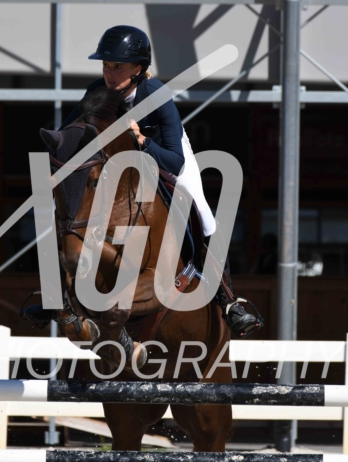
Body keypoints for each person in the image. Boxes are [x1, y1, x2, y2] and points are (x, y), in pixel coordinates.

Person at [39, 25, 263, 338]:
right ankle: (51, 294)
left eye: (118, 67)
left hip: (163, 155)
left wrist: (142, 141)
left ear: (138, 69)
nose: (109, 73)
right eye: (106, 65)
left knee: (203, 213)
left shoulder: (156, 94)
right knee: (61, 208)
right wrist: (56, 163)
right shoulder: (96, 92)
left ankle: (227, 299)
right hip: (117, 166)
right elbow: (69, 134)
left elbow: (175, 160)